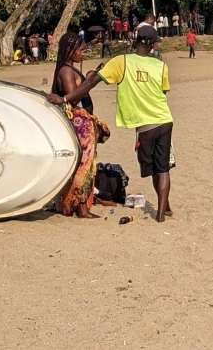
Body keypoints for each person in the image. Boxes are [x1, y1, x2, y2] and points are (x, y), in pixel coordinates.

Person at [49, 25, 174, 222]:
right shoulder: (161, 65)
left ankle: (161, 211)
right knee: (163, 166)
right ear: (153, 45)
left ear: (135, 39)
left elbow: (91, 84)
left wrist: (65, 99)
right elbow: (164, 93)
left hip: (145, 124)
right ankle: (162, 211)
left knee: (152, 168)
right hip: (165, 119)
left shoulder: (121, 61)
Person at [50, 33, 111, 218]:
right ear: (70, 50)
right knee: (84, 166)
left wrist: (88, 78)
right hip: (79, 123)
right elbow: (72, 98)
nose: (83, 54)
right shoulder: (66, 71)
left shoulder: (70, 69)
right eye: (81, 50)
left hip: (84, 121)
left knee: (87, 165)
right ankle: (82, 208)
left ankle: (82, 204)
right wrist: (91, 82)